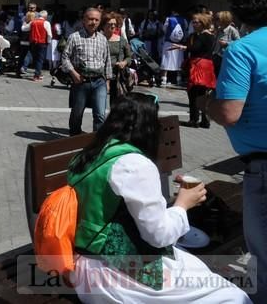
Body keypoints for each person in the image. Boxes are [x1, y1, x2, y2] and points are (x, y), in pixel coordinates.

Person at [68, 94, 250, 303]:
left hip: (84, 265)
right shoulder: (134, 164)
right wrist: (183, 204)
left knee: (198, 270)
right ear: (149, 127)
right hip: (117, 275)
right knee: (232, 296)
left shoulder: (87, 156)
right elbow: (159, 235)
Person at [197, 0, 267, 303]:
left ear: (237, 12)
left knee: (264, 259)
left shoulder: (242, 50)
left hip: (263, 168)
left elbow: (228, 113)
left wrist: (206, 102)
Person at [61, 8, 112, 135]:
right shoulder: (74, 37)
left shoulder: (102, 39)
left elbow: (107, 60)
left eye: (96, 20)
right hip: (81, 81)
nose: (93, 22)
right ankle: (75, 137)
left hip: (99, 81)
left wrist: (108, 81)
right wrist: (73, 73)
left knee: (100, 114)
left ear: (99, 22)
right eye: (90, 19)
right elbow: (65, 57)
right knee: (77, 113)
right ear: (84, 20)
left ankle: (97, 141)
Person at [172, 13, 216, 128]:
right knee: (201, 94)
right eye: (193, 22)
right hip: (202, 65)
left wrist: (183, 47)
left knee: (194, 93)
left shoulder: (205, 36)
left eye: (196, 22)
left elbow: (195, 48)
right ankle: (204, 120)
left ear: (203, 23)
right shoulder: (197, 35)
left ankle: (194, 120)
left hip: (200, 66)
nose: (194, 24)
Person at [102, 12, 132, 104]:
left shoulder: (122, 41)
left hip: (117, 76)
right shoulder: (99, 39)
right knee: (100, 104)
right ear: (103, 25)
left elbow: (129, 57)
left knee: (116, 105)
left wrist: (124, 63)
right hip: (101, 76)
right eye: (110, 24)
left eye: (115, 24)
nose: (113, 26)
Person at [160, 10, 186, 86]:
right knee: (179, 61)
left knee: (166, 60)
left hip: (168, 43)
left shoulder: (168, 19)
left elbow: (164, 29)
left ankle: (163, 80)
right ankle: (179, 80)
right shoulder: (184, 20)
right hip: (179, 44)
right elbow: (186, 31)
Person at [212, 10, 240, 76]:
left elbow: (238, 42)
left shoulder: (232, 30)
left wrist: (227, 43)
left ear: (224, 20)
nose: (216, 21)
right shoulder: (219, 29)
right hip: (216, 56)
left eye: (218, 19)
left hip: (225, 57)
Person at [26, 10, 52, 82]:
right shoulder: (46, 23)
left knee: (36, 59)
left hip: (33, 43)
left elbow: (24, 28)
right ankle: (36, 75)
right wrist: (49, 42)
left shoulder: (33, 22)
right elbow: (49, 34)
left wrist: (24, 23)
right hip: (42, 43)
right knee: (40, 59)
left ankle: (38, 73)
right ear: (45, 16)